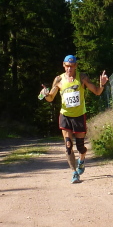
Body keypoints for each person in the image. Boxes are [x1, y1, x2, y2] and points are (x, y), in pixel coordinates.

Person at [39, 55, 108, 183]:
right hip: (65, 115)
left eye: (72, 66)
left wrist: (102, 84)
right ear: (63, 65)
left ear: (75, 66)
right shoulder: (59, 79)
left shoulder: (82, 77)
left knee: (80, 147)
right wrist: (46, 95)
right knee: (68, 145)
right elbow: (51, 98)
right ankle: (74, 173)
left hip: (79, 116)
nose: (69, 69)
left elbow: (97, 92)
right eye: (67, 66)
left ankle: (81, 160)